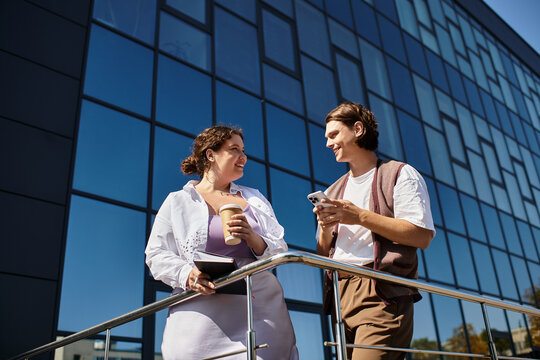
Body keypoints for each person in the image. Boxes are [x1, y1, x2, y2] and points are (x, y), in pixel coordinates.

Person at [146, 126, 298, 360]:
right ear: (210, 155)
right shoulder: (178, 201)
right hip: (198, 316)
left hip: (260, 312)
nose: (243, 157)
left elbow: (279, 249)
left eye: (244, 151)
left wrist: (254, 238)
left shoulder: (254, 198)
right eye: (234, 149)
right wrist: (187, 274)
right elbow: (156, 254)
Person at [314, 102, 435, 360]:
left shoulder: (400, 174)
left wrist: (358, 216)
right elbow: (322, 255)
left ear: (357, 129)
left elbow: (421, 236)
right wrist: (325, 229)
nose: (327, 143)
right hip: (340, 294)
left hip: (380, 293)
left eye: (333, 134)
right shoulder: (333, 190)